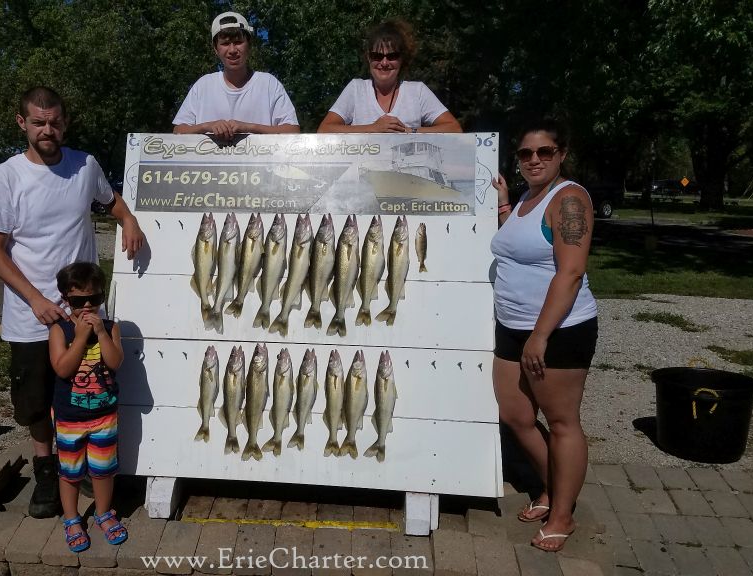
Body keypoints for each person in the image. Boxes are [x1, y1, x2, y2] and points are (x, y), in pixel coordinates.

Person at [0, 86, 145, 519]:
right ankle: (46, 470)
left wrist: (129, 221)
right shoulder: (5, 176)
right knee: (35, 402)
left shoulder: (84, 165)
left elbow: (111, 200)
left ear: (64, 123)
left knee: (86, 389)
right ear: (22, 123)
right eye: (37, 122)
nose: (47, 129)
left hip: (83, 310)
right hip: (31, 314)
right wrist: (34, 299)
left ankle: (85, 465)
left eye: (54, 122)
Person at [489, 119, 598, 552]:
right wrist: (503, 205)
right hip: (513, 327)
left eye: (545, 152)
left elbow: (571, 272)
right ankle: (554, 489)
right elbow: (519, 245)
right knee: (514, 414)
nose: (534, 160)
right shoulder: (528, 200)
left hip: (557, 331)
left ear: (562, 154)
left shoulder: (569, 199)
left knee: (562, 422)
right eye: (526, 154)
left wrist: (540, 336)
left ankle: (563, 514)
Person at [50, 262, 126, 551]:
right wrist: (81, 337)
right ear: (65, 300)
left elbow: (115, 362)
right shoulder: (60, 331)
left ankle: (104, 513)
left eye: (94, 299)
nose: (87, 306)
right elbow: (62, 369)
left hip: (104, 415)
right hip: (70, 418)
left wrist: (102, 335)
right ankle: (71, 518)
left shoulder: (110, 327)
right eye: (78, 301)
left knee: (103, 469)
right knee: (70, 471)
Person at [318, 19, 461, 134]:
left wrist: (408, 131)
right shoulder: (356, 89)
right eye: (377, 56)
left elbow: (454, 128)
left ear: (401, 59)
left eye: (392, 56)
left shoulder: (418, 91)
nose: (384, 63)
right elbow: (324, 129)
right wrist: (372, 128)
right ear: (369, 58)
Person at [173, 11, 300, 139]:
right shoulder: (203, 85)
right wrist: (207, 126)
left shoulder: (269, 84)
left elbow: (293, 131)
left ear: (249, 44)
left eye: (238, 42)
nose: (232, 50)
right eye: (225, 43)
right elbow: (178, 131)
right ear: (215, 49)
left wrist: (248, 127)